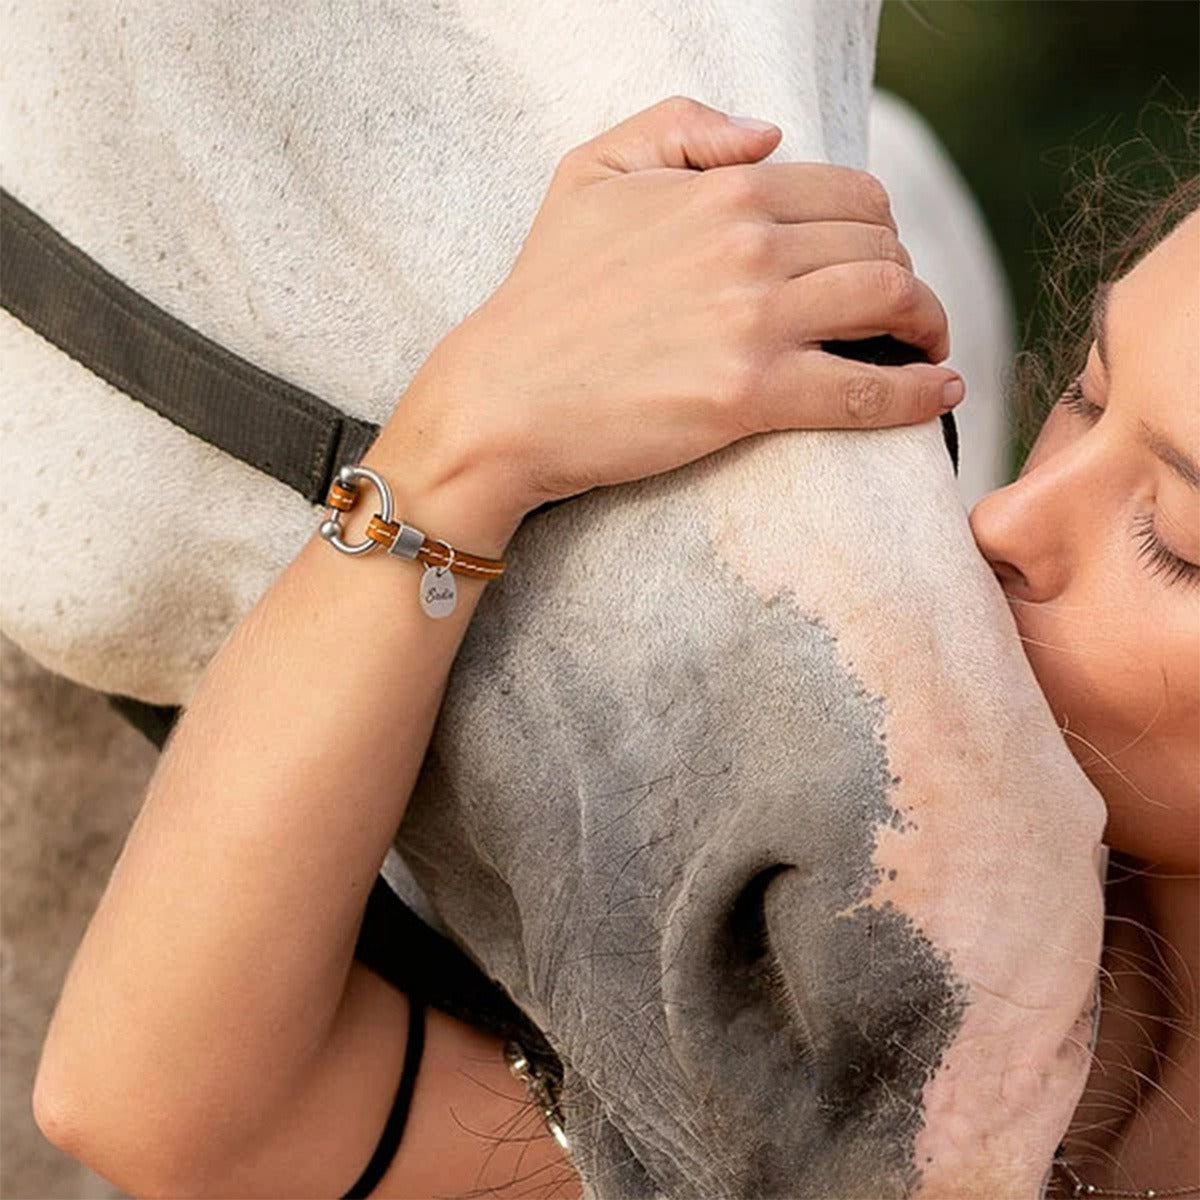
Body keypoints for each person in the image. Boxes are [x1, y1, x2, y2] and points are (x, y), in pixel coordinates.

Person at [30, 96, 1197, 1198]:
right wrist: (463, 445)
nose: (1003, 519)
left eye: (1177, 541)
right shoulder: (875, 1010)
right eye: (1086, 399)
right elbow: (169, 1110)